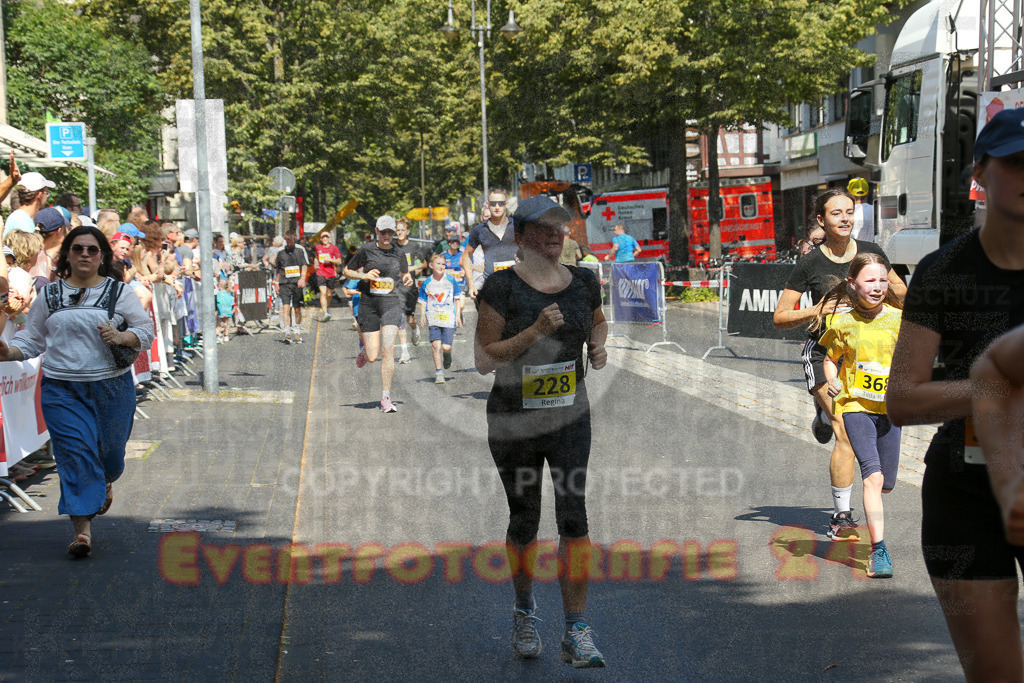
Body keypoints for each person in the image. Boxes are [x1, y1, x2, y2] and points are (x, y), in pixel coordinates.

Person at [888, 108, 1024, 681]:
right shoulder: (943, 270)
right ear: (980, 173)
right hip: (965, 494)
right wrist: (994, 389)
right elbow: (903, 399)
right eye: (1017, 163)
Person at [474, 195, 608, 668]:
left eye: (561, 225)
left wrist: (597, 345)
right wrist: (531, 333)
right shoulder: (500, 287)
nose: (555, 233)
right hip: (515, 422)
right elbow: (483, 359)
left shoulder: (585, 281)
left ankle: (576, 629)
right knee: (525, 519)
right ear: (521, 233)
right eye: (544, 226)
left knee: (574, 517)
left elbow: (599, 324)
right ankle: (525, 609)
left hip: (570, 418)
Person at [0, 226, 154, 557]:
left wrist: (121, 337)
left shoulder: (118, 293)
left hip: (111, 387)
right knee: (75, 455)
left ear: (102, 256)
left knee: (111, 456)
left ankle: (106, 478)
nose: (85, 254)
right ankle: (81, 531)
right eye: (78, 249)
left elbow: (145, 330)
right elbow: (32, 339)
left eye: (92, 250)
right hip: (61, 390)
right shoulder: (50, 296)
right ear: (67, 254)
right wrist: (9, 352)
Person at [773, 188, 906, 541]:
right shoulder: (811, 263)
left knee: (872, 448)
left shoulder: (872, 252)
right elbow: (780, 316)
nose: (846, 218)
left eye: (850, 212)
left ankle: (820, 414)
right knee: (843, 430)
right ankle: (841, 517)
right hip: (823, 353)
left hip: (862, 358)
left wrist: (888, 290)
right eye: (837, 213)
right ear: (821, 220)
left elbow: (902, 293)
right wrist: (817, 310)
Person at [816, 253, 904, 578]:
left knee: (887, 483)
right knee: (873, 477)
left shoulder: (899, 320)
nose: (878, 287)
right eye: (870, 280)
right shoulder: (843, 324)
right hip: (855, 406)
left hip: (890, 409)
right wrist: (834, 378)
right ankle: (879, 551)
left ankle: (873, 508)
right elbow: (829, 358)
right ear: (853, 284)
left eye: (883, 280)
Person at [343, 215, 413, 413]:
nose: (387, 236)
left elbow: (405, 274)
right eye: (383, 232)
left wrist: (407, 279)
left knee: (388, 350)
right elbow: (347, 271)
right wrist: (363, 275)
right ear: (376, 231)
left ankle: (386, 398)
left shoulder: (399, 252)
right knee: (373, 356)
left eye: (391, 232)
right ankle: (365, 353)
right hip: (369, 304)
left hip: (391, 304)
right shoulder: (366, 250)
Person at [461, 188, 517, 300]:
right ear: (487, 205)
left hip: (516, 286)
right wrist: (471, 285)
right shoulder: (479, 230)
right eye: (493, 203)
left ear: (506, 204)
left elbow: (533, 249)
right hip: (491, 288)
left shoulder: (517, 226)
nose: (497, 207)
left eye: (500, 203)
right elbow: (465, 256)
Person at [418, 253, 464, 383]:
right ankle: (439, 372)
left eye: (443, 264)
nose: (441, 266)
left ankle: (447, 355)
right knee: (436, 345)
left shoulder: (450, 280)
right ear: (431, 265)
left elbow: (457, 297)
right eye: (438, 264)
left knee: (446, 347)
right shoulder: (427, 282)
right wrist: (422, 315)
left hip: (448, 316)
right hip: (433, 317)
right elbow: (423, 300)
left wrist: (458, 315)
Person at [392, 218, 425, 361]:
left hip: (410, 287)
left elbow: (424, 264)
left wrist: (410, 268)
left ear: (407, 231)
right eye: (397, 230)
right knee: (399, 318)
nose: (399, 232)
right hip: (396, 287)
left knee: (409, 318)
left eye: (402, 230)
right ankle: (405, 352)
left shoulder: (413, 246)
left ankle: (414, 328)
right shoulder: (392, 247)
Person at [274, 230, 310, 344]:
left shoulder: (299, 251)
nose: (289, 243)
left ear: (295, 239)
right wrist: (277, 283)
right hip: (285, 283)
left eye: (291, 241)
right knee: (286, 307)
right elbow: (278, 269)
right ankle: (287, 332)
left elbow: (304, 266)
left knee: (297, 308)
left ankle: (297, 331)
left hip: (296, 282)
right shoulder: (281, 253)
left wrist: (302, 278)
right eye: (287, 241)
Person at [314, 232, 342, 321]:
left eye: (326, 237)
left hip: (331, 273)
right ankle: (325, 312)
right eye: (323, 237)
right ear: (321, 239)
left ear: (329, 239)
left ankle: (326, 307)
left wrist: (330, 259)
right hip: (321, 272)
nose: (325, 239)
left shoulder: (334, 248)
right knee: (323, 293)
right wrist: (315, 264)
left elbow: (339, 261)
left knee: (329, 294)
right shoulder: (318, 247)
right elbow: (316, 257)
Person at [848, 178, 875, 243]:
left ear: (849, 193)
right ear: (867, 193)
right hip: (870, 251)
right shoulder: (874, 210)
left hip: (851, 251)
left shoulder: (846, 212)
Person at [216, 278, 234, 343]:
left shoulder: (219, 294)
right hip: (228, 310)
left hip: (220, 310)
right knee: (226, 323)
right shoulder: (228, 294)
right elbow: (232, 302)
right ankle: (226, 336)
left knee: (219, 324)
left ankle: (218, 336)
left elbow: (217, 301)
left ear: (220, 286)